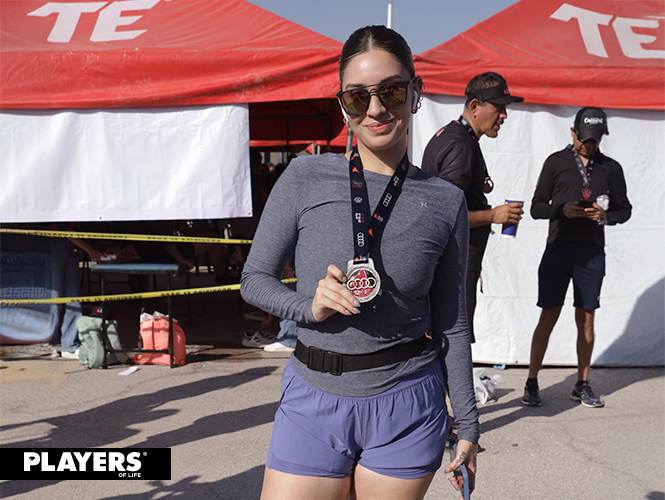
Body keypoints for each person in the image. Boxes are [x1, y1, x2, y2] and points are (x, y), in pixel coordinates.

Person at [241, 25, 478, 500]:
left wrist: (469, 424)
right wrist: (309, 307)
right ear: (342, 103)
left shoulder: (445, 200)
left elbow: (452, 322)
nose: (375, 109)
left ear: (415, 92)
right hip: (313, 398)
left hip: (407, 403)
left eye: (391, 91)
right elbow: (254, 279)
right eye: (357, 97)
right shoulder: (305, 176)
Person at [522, 107, 632, 408]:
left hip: (592, 252)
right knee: (548, 314)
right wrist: (562, 210)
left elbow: (625, 210)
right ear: (573, 132)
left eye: (595, 140)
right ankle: (531, 381)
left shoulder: (611, 168)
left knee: (586, 318)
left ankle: (582, 383)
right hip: (558, 249)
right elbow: (536, 207)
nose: (588, 145)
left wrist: (606, 216)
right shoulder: (556, 162)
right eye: (584, 139)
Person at [421, 72, 524, 342]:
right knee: (453, 342)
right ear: (475, 106)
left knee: (443, 340)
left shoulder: (454, 135)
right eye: (499, 107)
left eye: (505, 108)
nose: (504, 115)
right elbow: (443, 216)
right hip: (453, 266)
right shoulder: (460, 145)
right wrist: (493, 215)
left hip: (448, 264)